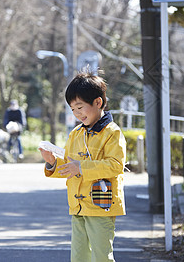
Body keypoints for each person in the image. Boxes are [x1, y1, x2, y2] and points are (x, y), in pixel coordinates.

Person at [39, 71, 126, 262]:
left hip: (101, 204)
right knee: (79, 257)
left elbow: (116, 165)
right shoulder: (76, 134)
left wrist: (82, 167)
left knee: (101, 257)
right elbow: (70, 165)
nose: (77, 114)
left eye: (80, 107)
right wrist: (52, 161)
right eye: (73, 110)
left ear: (98, 103)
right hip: (77, 206)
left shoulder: (112, 132)